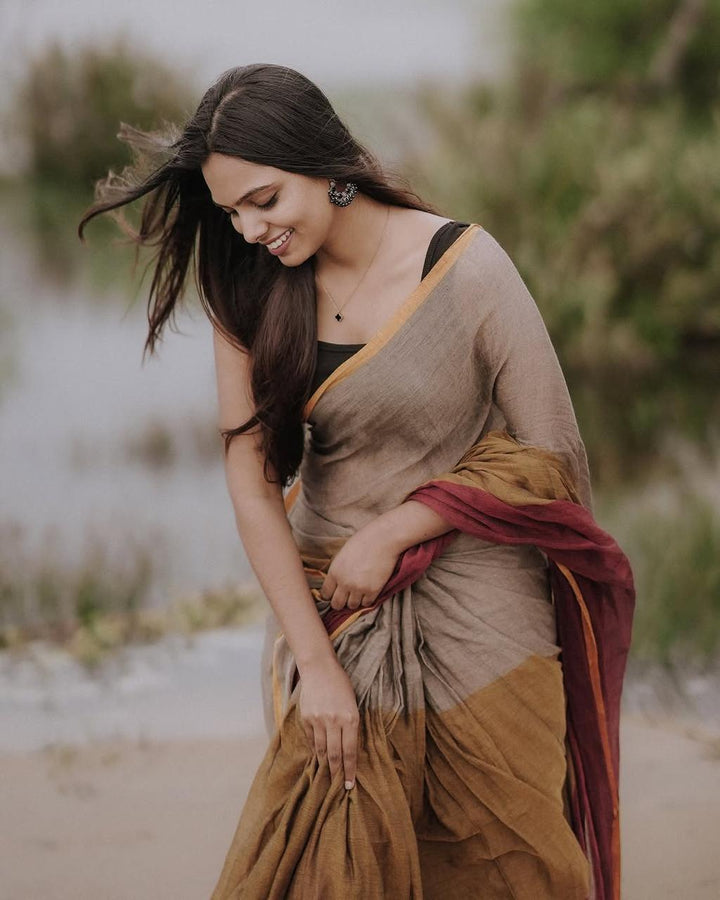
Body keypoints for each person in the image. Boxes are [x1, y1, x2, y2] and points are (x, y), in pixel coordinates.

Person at [78, 63, 634, 900]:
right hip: (332, 612)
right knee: (334, 869)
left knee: (516, 867)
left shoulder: (466, 268)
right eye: (230, 211)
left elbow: (551, 447)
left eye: (264, 200)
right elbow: (253, 480)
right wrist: (318, 665)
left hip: (485, 608)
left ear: (326, 166)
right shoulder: (248, 289)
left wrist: (403, 525)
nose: (247, 229)